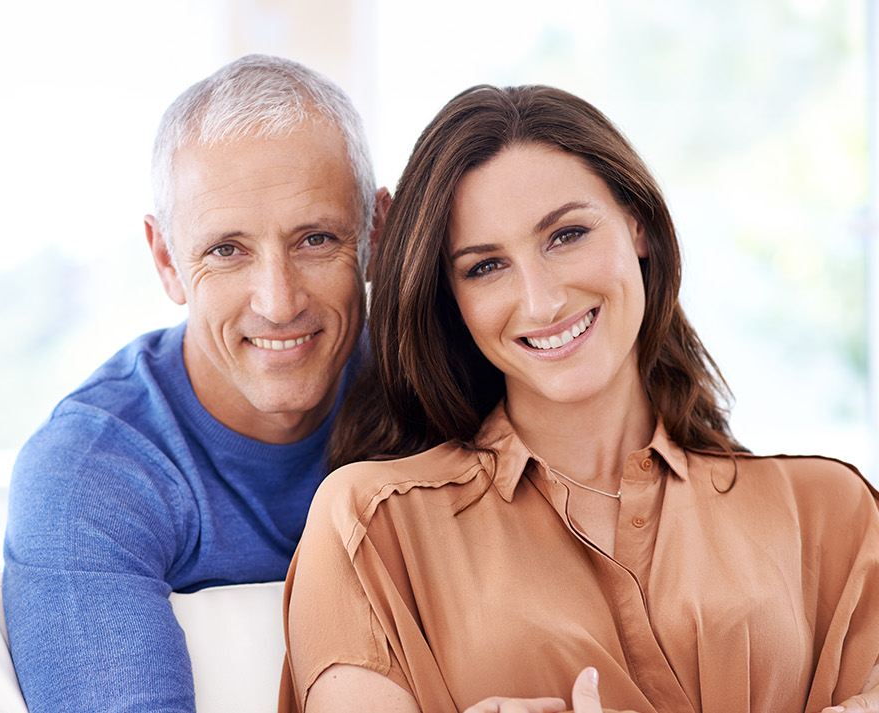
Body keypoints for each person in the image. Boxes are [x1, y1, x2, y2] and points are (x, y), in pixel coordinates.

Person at [279, 84, 879, 713]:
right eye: (485, 266)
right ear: (450, 299)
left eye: (566, 235)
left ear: (636, 224)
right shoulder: (372, 528)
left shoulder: (831, 513)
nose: (541, 301)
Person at [2, 54, 389, 713]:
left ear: (376, 234)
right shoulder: (92, 472)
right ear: (166, 260)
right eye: (226, 250)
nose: (278, 300)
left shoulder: (436, 385)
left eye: (316, 238)